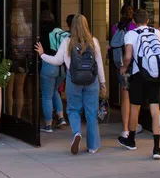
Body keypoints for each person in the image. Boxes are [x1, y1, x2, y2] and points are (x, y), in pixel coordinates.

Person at [35, 14, 107, 155]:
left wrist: (42, 54)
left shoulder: (68, 41)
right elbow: (99, 64)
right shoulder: (93, 41)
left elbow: (57, 60)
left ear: (72, 26)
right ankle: (92, 147)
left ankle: (77, 133)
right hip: (91, 81)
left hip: (73, 80)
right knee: (91, 113)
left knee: (73, 110)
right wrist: (103, 83)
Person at [118, 9, 160, 159]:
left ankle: (131, 139)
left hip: (139, 75)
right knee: (155, 108)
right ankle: (157, 148)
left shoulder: (130, 34)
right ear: (147, 20)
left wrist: (124, 67)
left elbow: (128, 56)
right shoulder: (155, 32)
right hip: (155, 75)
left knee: (135, 107)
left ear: (133, 21)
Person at [109, 4, 142, 141]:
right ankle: (134, 125)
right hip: (133, 66)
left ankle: (125, 129)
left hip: (120, 66)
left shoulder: (115, 27)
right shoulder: (135, 28)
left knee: (125, 97)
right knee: (135, 98)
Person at [39, 9, 66, 132]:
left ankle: (48, 124)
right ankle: (61, 117)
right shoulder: (59, 30)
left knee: (46, 96)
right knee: (55, 91)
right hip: (62, 67)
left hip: (49, 64)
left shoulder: (42, 31)